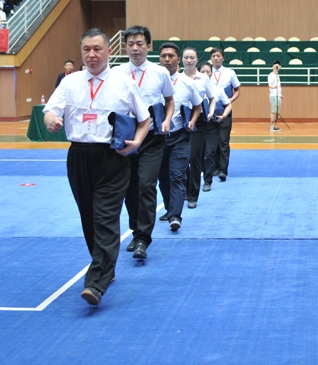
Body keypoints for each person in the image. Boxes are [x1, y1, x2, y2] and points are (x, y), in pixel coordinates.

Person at [43, 28, 151, 306]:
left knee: (105, 217)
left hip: (113, 157)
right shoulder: (70, 82)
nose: (91, 55)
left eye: (97, 49)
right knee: (89, 217)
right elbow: (51, 110)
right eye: (86, 50)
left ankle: (96, 282)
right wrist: (52, 119)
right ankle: (106, 265)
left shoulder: (123, 82)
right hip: (78, 156)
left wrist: (136, 143)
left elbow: (144, 118)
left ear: (109, 51)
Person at [116, 26, 175, 255]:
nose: (135, 48)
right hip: (126, 138)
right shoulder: (117, 72)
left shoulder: (160, 73)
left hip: (152, 139)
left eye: (140, 43)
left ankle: (143, 238)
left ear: (148, 46)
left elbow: (170, 100)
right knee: (129, 188)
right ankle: (134, 231)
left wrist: (168, 119)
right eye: (130, 44)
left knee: (146, 185)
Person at [158, 42, 202, 227]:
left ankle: (176, 216)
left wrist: (192, 121)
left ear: (178, 60)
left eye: (171, 56)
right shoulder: (152, 81)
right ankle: (169, 208)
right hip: (157, 138)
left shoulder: (187, 83)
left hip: (180, 136)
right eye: (163, 56)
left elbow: (198, 105)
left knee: (177, 175)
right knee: (162, 176)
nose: (167, 59)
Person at [182, 47, 218, 210]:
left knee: (194, 157)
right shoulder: (176, 78)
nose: (189, 60)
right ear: (182, 60)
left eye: (192, 58)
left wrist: (210, 112)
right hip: (181, 120)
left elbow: (212, 98)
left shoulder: (204, 79)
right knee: (181, 159)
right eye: (186, 58)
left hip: (200, 122)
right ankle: (183, 190)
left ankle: (192, 195)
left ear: (197, 60)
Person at [197, 61, 233, 195]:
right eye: (203, 71)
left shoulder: (217, 89)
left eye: (208, 71)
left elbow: (228, 104)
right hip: (197, 125)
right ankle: (201, 174)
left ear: (212, 73)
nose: (206, 74)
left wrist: (223, 116)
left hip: (212, 125)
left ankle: (208, 181)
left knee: (210, 152)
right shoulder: (193, 87)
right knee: (197, 155)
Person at [209, 48, 241, 182]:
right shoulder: (205, 71)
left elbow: (237, 90)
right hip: (209, 112)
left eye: (218, 56)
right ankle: (214, 167)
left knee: (223, 140)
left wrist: (231, 100)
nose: (216, 58)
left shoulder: (229, 72)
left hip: (225, 110)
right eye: (213, 56)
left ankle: (223, 170)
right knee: (212, 141)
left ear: (223, 58)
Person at [268, 60, 283, 132]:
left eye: (278, 65)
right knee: (273, 111)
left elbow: (279, 86)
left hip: (278, 95)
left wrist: (281, 94)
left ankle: (274, 125)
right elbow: (270, 85)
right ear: (273, 67)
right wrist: (274, 87)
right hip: (273, 95)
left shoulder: (277, 75)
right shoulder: (271, 75)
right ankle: (272, 126)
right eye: (276, 65)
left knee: (277, 112)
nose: (277, 66)